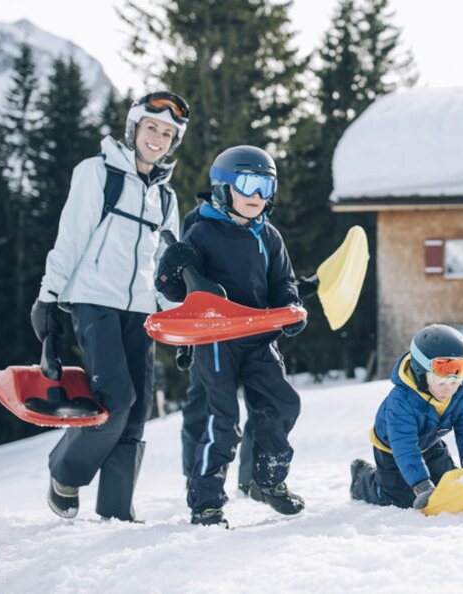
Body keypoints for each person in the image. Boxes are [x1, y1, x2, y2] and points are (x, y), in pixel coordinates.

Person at [30, 91, 190, 521]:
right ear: (134, 128)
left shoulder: (167, 199)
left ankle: (116, 510)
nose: (157, 138)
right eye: (152, 127)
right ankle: (65, 472)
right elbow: (71, 238)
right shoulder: (97, 173)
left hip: (141, 310)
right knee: (115, 399)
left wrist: (177, 324)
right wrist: (49, 296)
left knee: (137, 410)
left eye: (167, 133)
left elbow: (165, 271)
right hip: (93, 300)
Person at [155, 145, 306, 527]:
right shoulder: (201, 232)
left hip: (258, 337)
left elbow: (282, 282)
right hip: (217, 339)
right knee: (222, 420)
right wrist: (171, 269)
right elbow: (179, 292)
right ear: (223, 188)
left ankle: (268, 480)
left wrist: (289, 308)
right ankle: (206, 501)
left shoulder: (268, 236)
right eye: (247, 184)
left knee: (283, 403)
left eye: (266, 186)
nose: (257, 196)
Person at [175, 200, 256, 492]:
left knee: (261, 402)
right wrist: (185, 343)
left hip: (250, 329)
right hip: (208, 332)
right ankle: (195, 476)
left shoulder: (254, 218)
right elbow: (187, 281)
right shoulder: (196, 221)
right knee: (202, 402)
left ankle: (253, 479)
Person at [349, 324, 463, 510]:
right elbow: (405, 446)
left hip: (430, 444)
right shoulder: (401, 401)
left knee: (449, 487)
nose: (449, 388)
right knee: (401, 499)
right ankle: (363, 478)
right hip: (393, 449)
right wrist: (421, 485)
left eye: (455, 381)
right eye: (440, 381)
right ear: (420, 371)